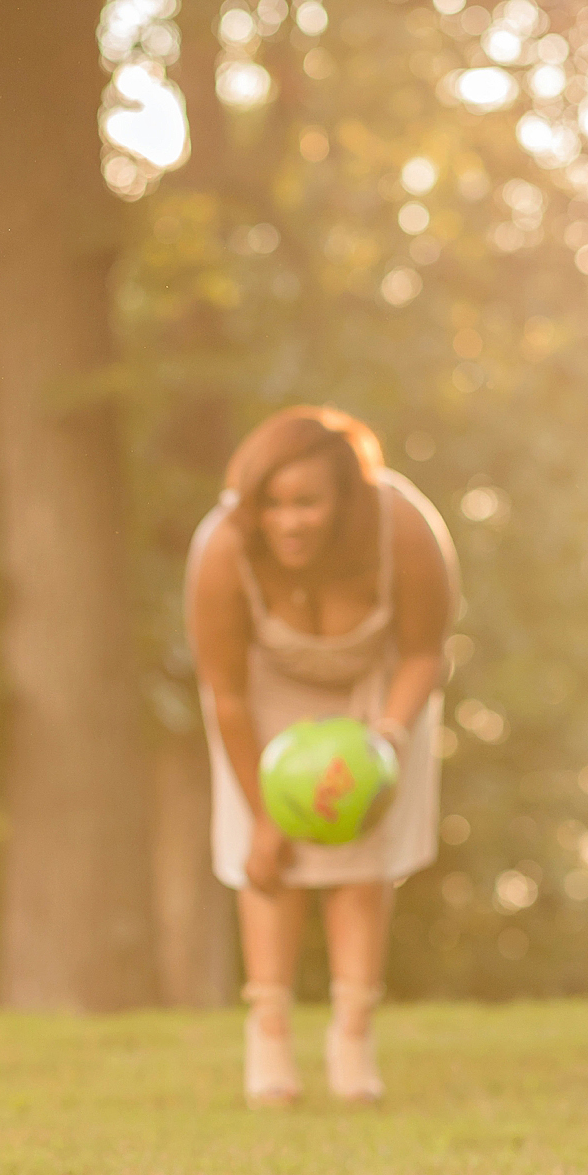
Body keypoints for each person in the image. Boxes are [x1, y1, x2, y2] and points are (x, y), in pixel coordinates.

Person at [184, 407, 458, 1107]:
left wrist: (385, 744)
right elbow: (226, 693)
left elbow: (427, 653)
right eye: (272, 504)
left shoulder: (403, 527)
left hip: (378, 688)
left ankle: (353, 1036)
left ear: (346, 498)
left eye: (307, 502)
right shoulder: (222, 549)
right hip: (265, 690)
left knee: (361, 861)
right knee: (270, 864)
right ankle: (269, 1031)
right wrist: (265, 817)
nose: (289, 521)